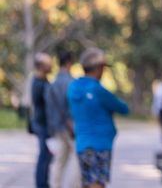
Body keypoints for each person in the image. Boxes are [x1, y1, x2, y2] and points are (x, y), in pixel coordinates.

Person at [68, 48, 129, 188]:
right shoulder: (97, 90)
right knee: (97, 184)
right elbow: (123, 108)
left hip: (82, 144)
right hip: (100, 145)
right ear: (99, 68)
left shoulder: (73, 88)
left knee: (88, 182)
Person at [46, 50, 81, 188]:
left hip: (57, 128)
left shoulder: (52, 84)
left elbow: (49, 108)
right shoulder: (72, 82)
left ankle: (56, 185)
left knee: (60, 160)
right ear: (69, 63)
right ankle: (73, 186)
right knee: (77, 158)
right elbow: (73, 106)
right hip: (70, 126)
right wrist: (71, 123)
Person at [31, 52, 53, 188]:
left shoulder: (44, 81)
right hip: (42, 124)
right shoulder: (38, 83)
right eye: (48, 64)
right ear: (41, 66)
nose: (51, 66)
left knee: (47, 156)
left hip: (45, 124)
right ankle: (41, 184)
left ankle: (44, 182)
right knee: (44, 156)